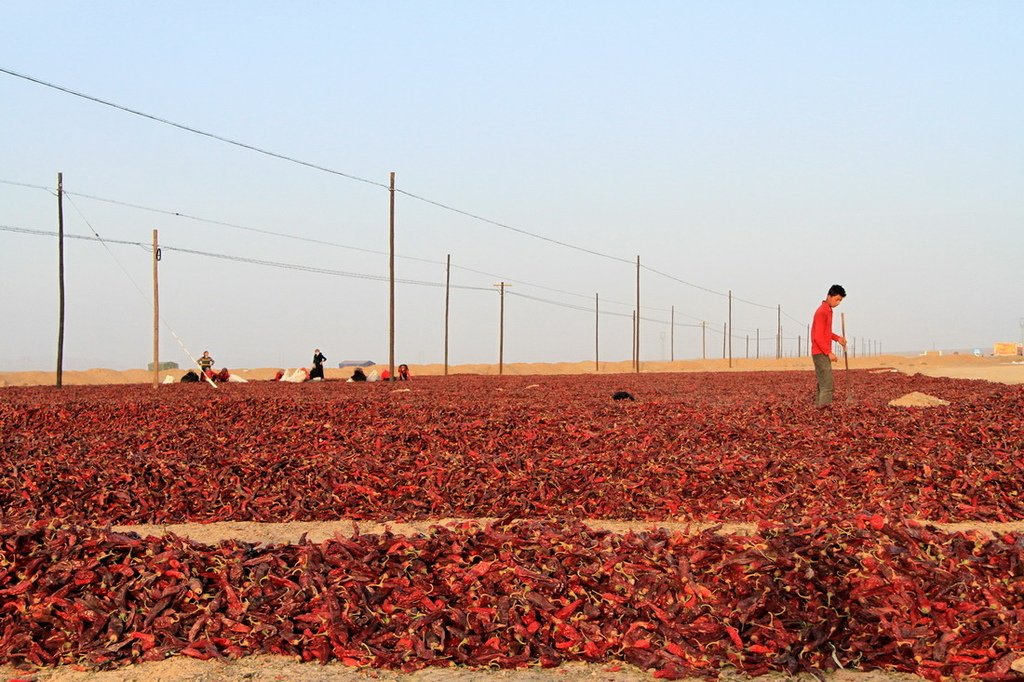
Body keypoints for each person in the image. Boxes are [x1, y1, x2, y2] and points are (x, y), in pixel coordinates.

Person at [811, 284, 847, 407]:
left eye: (840, 300)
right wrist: (828, 352)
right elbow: (817, 336)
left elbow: (826, 332)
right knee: (827, 385)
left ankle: (818, 409)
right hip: (820, 352)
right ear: (829, 296)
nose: (838, 302)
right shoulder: (822, 312)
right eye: (837, 299)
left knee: (823, 384)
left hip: (822, 351)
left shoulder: (827, 310)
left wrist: (837, 339)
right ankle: (824, 413)